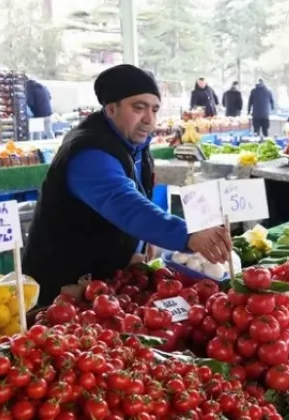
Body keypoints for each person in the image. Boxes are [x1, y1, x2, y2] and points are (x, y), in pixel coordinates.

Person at [24, 64, 232, 306]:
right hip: (63, 285)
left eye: (155, 109)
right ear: (111, 108)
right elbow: (125, 204)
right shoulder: (90, 152)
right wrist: (187, 234)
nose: (149, 120)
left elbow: (140, 191)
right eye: (138, 108)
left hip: (102, 282)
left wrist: (145, 240)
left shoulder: (131, 142)